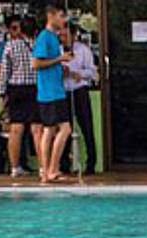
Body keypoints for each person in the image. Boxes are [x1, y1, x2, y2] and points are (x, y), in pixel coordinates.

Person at [32, 5, 74, 184]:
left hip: (55, 89)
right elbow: (36, 63)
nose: (63, 20)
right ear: (51, 16)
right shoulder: (44, 37)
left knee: (53, 130)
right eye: (61, 16)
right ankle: (49, 169)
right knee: (58, 129)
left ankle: (48, 171)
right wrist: (60, 59)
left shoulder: (53, 38)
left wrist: (60, 67)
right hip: (50, 92)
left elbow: (48, 63)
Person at [0, 15, 42, 178]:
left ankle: (15, 167)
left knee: (16, 129)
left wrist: (2, 93)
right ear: (36, 31)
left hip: (16, 89)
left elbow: (4, 72)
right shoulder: (39, 45)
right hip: (36, 88)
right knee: (37, 129)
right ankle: (43, 167)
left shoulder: (10, 46)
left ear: (20, 30)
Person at [61, 22, 98, 176]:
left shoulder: (83, 50)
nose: (63, 38)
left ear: (74, 35)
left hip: (79, 89)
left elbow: (91, 71)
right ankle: (64, 164)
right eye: (61, 35)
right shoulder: (56, 51)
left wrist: (79, 74)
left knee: (86, 126)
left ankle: (91, 163)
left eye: (66, 34)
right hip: (63, 91)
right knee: (64, 129)